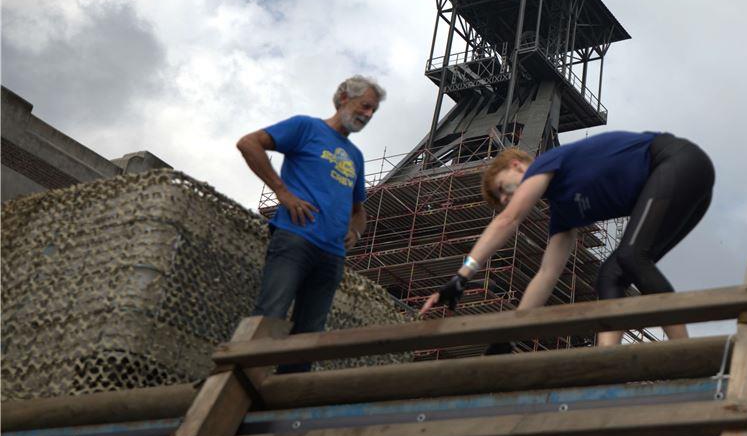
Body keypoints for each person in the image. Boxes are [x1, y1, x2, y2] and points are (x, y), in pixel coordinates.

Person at [418, 131, 715, 349]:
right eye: (501, 200)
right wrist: (509, 335)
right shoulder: (563, 213)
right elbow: (546, 275)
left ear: (517, 166)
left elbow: (508, 219)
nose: (506, 200)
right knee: (610, 276)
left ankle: (685, 352)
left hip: (679, 161)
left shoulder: (547, 163)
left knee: (631, 256)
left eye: (503, 190)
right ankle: (608, 364)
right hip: (687, 190)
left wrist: (461, 277)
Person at [236, 75, 385, 372]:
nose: (368, 114)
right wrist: (282, 192)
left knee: (308, 336)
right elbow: (249, 143)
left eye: (373, 111)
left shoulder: (355, 157)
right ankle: (239, 383)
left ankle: (286, 395)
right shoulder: (306, 127)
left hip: (332, 255)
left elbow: (359, 211)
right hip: (295, 239)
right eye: (365, 105)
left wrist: (355, 232)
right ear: (344, 97)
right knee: (270, 314)